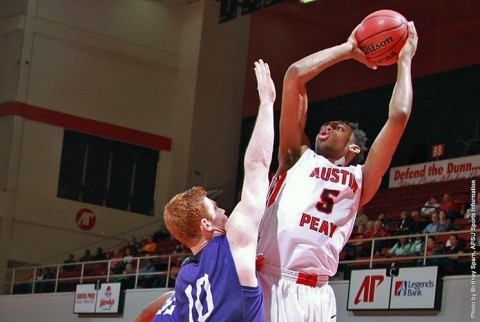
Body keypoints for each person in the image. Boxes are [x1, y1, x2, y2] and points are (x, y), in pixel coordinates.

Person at [256, 22, 418, 322]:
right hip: (271, 281)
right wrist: (348, 50)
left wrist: (405, 60)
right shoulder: (296, 157)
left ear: (354, 149)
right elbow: (294, 75)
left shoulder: (361, 180)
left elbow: (399, 116)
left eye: (339, 128)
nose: (327, 127)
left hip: (318, 295)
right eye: (326, 125)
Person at [153, 60, 274, 321]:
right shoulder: (232, 245)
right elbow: (257, 166)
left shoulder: (185, 278)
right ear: (207, 224)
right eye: (216, 208)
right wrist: (267, 103)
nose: (224, 209)